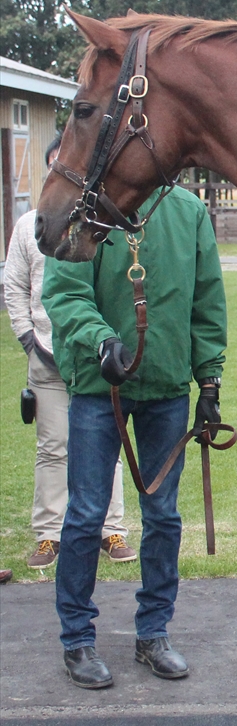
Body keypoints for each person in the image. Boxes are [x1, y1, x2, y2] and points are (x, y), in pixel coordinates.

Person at [42, 183, 227, 689]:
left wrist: (210, 380)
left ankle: (154, 633)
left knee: (163, 515)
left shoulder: (187, 210)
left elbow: (206, 298)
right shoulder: (87, 209)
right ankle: (77, 639)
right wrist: (101, 339)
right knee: (86, 514)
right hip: (99, 387)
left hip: (166, 385)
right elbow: (64, 292)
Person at [3, 137, 132, 571]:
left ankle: (111, 529)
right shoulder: (30, 225)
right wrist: (27, 338)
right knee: (53, 447)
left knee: (107, 443)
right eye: (56, 161)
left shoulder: (101, 222)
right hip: (46, 352)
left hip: (92, 354)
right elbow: (15, 286)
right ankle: (49, 533)